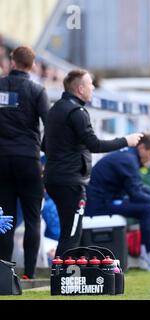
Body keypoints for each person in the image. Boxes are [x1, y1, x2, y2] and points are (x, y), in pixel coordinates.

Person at [43, 69, 143, 257]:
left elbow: (44, 145)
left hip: (53, 178)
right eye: (90, 84)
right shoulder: (77, 112)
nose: (93, 87)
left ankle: (62, 276)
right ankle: (63, 279)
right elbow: (94, 144)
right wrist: (125, 141)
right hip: (70, 181)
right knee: (72, 233)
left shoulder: (55, 109)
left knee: (68, 231)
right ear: (80, 89)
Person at [85, 133, 150, 271]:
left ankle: (148, 253)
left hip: (106, 200)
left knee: (146, 207)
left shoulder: (128, 157)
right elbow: (136, 195)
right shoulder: (128, 160)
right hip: (99, 205)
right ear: (141, 148)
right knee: (146, 209)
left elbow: (139, 187)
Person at [0, 46, 50, 279]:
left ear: (12, 61)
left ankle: (4, 273)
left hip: (2, 160)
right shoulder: (37, 90)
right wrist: (47, 155)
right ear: (32, 65)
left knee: (5, 218)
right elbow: (51, 126)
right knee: (32, 218)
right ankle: (28, 274)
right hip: (28, 160)